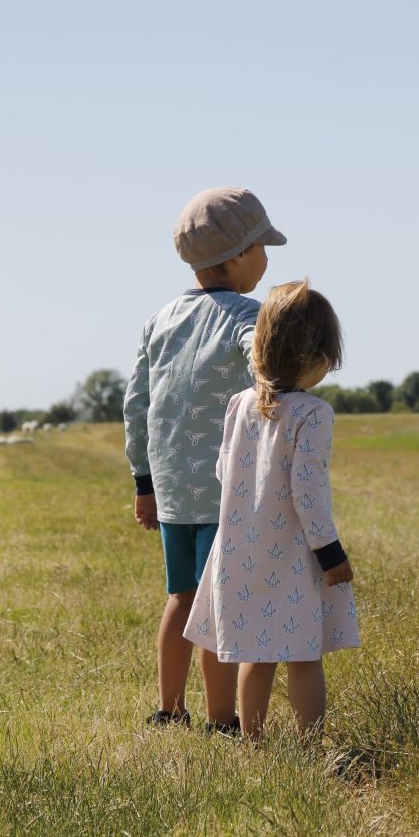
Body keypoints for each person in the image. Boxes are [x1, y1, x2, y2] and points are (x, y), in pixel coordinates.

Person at [123, 187, 286, 732]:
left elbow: (137, 402)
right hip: (225, 488)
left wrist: (143, 482)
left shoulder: (161, 318)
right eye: (263, 245)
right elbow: (258, 356)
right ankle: (222, 721)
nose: (267, 257)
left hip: (170, 486)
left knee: (180, 596)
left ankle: (170, 710)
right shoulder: (249, 316)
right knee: (217, 603)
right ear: (238, 253)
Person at [185, 280, 359, 740]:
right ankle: (308, 747)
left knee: (254, 653)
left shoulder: (239, 404)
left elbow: (225, 472)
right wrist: (331, 553)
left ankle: (253, 745)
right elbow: (308, 491)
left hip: (239, 550)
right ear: (319, 356)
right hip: (292, 556)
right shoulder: (313, 413)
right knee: (303, 654)